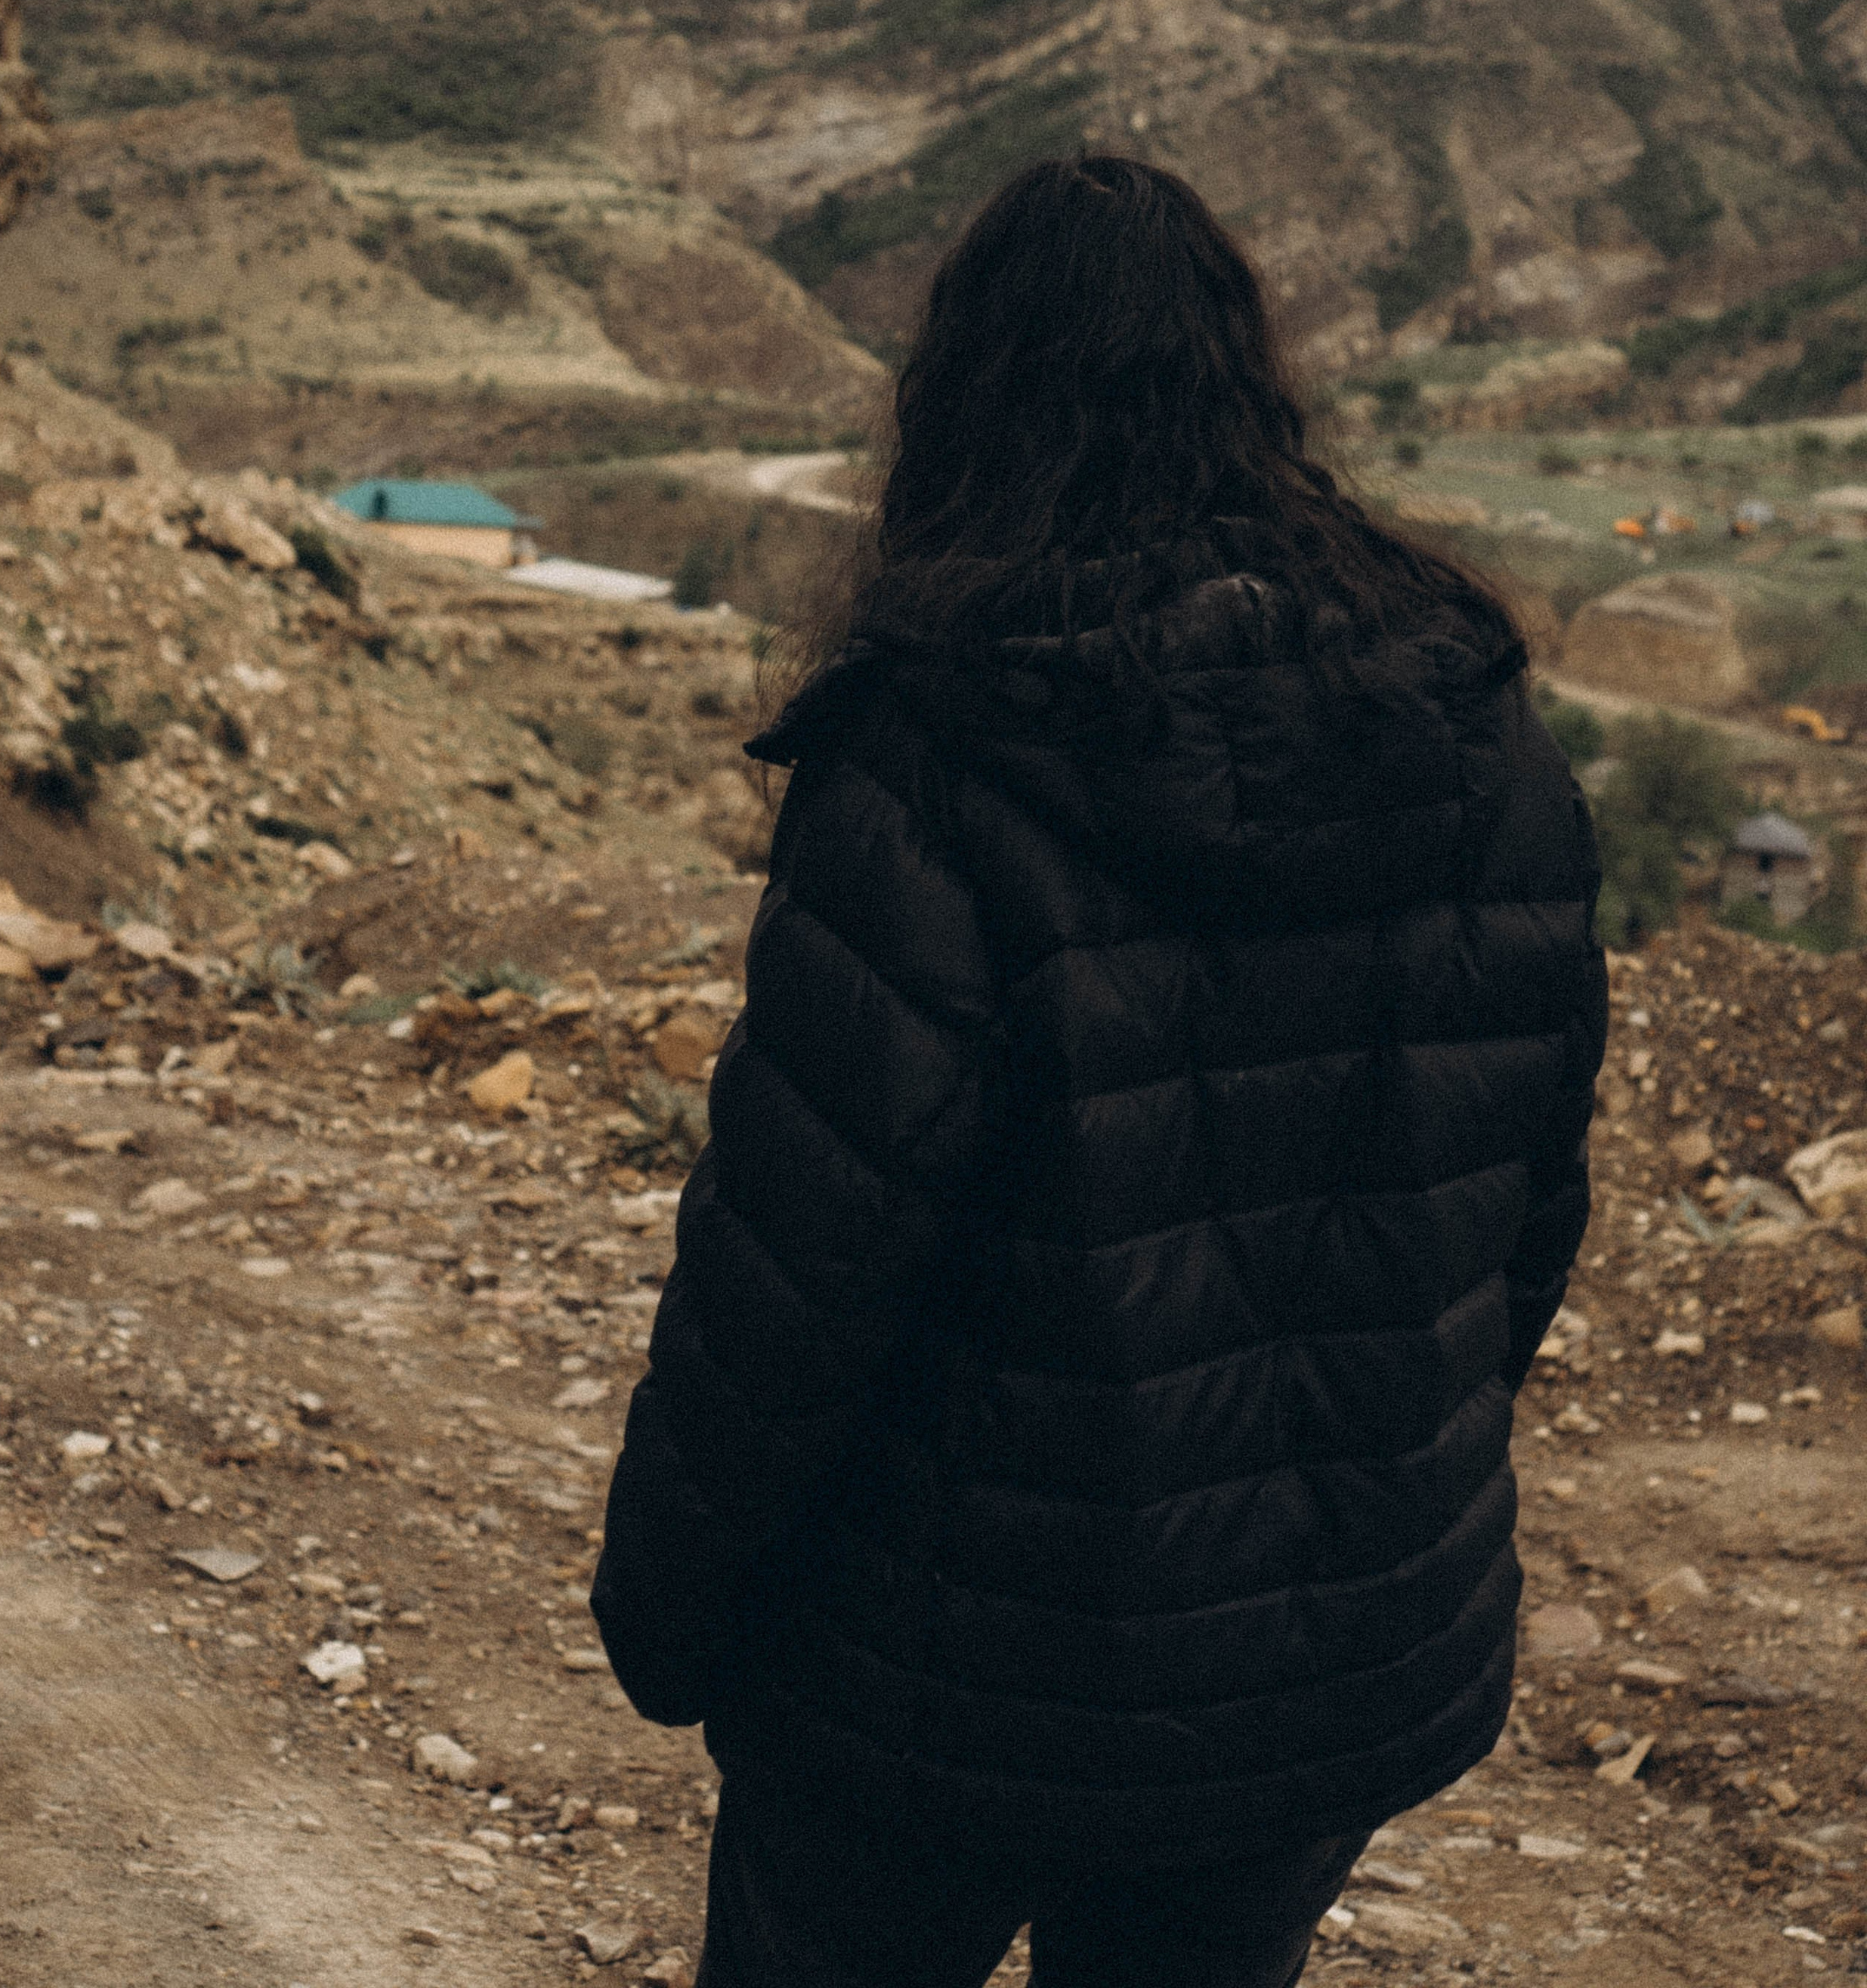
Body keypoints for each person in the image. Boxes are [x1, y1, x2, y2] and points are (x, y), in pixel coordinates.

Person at [594, 157, 1606, 1988]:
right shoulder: (1478, 732)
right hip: (1315, 1688)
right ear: (1245, 375)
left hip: (939, 1693)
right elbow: (1517, 1220)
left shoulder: (935, 750)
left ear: (964, 396)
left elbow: (795, 1273)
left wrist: (663, 1608)